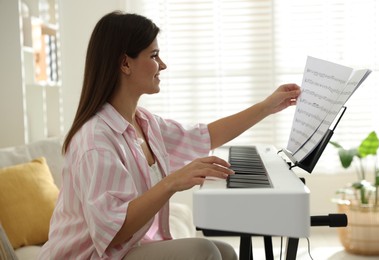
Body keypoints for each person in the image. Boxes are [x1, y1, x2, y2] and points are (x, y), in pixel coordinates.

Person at [38, 11, 300, 260]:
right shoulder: (96, 140)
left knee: (227, 253)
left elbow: (204, 136)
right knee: (204, 251)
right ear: (125, 63)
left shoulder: (145, 123)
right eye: (154, 55)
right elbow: (113, 232)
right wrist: (171, 182)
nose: (162, 65)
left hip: (126, 249)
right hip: (93, 255)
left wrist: (267, 107)